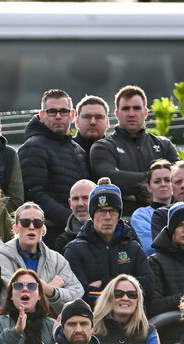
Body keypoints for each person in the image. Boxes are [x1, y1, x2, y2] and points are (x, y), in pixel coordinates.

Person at [90, 85, 178, 215]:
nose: (131, 114)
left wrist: (132, 190)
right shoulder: (102, 147)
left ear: (146, 112)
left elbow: (177, 180)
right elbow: (111, 179)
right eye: (126, 109)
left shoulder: (164, 145)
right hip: (123, 221)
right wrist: (158, 180)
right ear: (117, 114)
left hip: (166, 219)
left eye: (136, 108)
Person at [64, 180, 153, 305]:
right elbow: (80, 294)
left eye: (112, 211)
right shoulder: (75, 250)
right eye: (101, 211)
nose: (107, 217)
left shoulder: (133, 247)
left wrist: (104, 283)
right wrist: (127, 293)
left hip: (131, 318)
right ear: (92, 215)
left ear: (119, 215)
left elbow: (148, 284)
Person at [16, 88, 89, 232]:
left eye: (63, 111)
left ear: (73, 115)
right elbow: (35, 194)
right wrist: (71, 219)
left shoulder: (78, 150)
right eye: (52, 111)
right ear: (42, 115)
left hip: (77, 230)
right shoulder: (32, 148)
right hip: (50, 233)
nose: (58, 116)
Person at [0, 202, 83, 315]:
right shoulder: (0, 255)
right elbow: (13, 297)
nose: (31, 227)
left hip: (48, 326)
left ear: (42, 229)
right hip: (11, 324)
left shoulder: (57, 260)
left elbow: (77, 295)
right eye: (25, 222)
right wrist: (48, 288)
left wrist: (51, 291)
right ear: (15, 228)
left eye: (37, 223)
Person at [131, 159, 176, 256]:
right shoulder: (140, 215)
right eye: (157, 181)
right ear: (149, 187)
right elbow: (150, 247)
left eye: (168, 180)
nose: (163, 184)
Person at [148, 201, 184, 317]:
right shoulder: (155, 262)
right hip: (170, 331)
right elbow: (153, 306)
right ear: (171, 229)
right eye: (180, 225)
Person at [53, 179, 96, 254]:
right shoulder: (63, 242)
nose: (80, 203)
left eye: (86, 198)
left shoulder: (115, 233)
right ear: (70, 203)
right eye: (75, 199)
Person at [72, 95, 110, 170]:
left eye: (98, 117)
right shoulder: (64, 151)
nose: (93, 122)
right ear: (77, 121)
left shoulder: (117, 152)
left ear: (107, 122)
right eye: (87, 117)